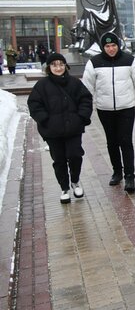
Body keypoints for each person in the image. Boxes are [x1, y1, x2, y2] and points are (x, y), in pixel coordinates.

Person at [82, 32, 135, 194]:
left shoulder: (129, 60)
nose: (111, 49)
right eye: (107, 46)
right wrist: (85, 111)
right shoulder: (94, 63)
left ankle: (129, 176)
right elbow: (87, 88)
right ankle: (117, 172)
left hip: (126, 108)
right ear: (102, 47)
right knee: (111, 142)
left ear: (118, 45)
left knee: (126, 141)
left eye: (113, 45)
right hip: (104, 109)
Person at [27, 53, 93, 204]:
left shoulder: (74, 83)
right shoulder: (41, 85)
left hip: (73, 129)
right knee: (59, 159)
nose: (58, 68)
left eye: (61, 64)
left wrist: (81, 117)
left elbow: (86, 99)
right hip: (53, 131)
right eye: (54, 65)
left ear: (66, 66)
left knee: (75, 155)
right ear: (49, 68)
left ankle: (75, 181)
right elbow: (34, 104)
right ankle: (64, 188)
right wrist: (44, 120)